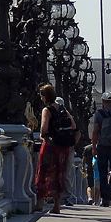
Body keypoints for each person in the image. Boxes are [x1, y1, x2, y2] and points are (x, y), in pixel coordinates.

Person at [35, 84, 77, 214]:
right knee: (59, 173)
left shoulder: (46, 110)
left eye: (41, 95)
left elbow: (44, 129)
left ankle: (40, 203)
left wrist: (43, 135)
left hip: (50, 145)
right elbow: (74, 126)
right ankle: (56, 205)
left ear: (44, 96)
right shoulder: (63, 109)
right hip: (62, 147)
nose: (41, 98)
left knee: (43, 172)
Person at [56, 96, 80, 206]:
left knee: (58, 170)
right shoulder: (69, 116)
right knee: (67, 172)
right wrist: (72, 145)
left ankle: (59, 195)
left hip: (58, 146)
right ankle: (68, 196)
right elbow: (77, 131)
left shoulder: (56, 115)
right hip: (68, 147)